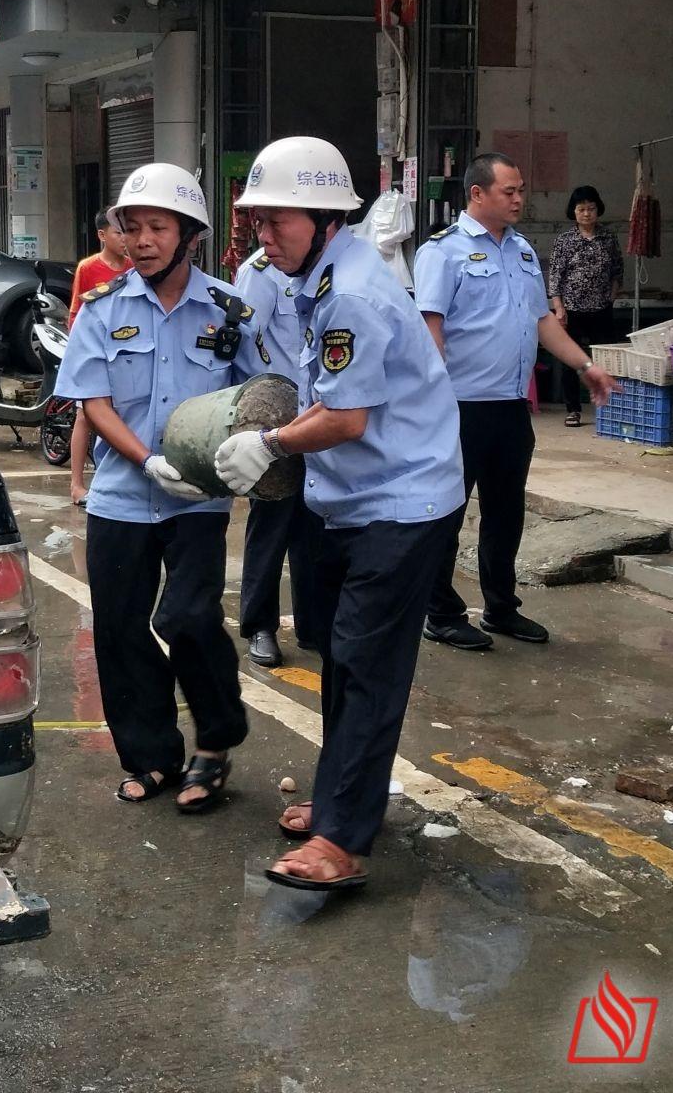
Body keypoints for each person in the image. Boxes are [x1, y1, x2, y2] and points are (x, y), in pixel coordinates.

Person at [213, 136, 464, 892]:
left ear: (325, 217)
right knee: (335, 652)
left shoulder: (351, 290)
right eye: (258, 223)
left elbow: (345, 418)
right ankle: (342, 800)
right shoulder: (314, 276)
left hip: (402, 500)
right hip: (347, 498)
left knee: (363, 663)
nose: (264, 236)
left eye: (277, 221)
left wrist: (267, 444)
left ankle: (342, 839)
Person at [57, 162, 265, 813]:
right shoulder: (102, 308)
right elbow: (92, 399)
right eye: (132, 227)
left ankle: (216, 740)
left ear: (189, 234)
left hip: (199, 497)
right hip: (124, 494)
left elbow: (258, 396)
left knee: (188, 616)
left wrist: (253, 452)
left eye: (157, 227)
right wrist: (146, 460)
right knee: (120, 628)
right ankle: (151, 756)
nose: (142, 240)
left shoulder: (228, 310)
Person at [411, 152, 619, 652]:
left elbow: (543, 322)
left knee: (506, 514)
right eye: (509, 191)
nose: (520, 199)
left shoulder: (524, 251)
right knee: (445, 514)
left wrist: (584, 365)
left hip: (508, 407)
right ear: (477, 194)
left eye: (521, 189)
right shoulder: (443, 252)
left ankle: (500, 608)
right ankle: (440, 612)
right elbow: (429, 331)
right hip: (458, 407)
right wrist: (427, 407)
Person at [233, 243, 325, 669]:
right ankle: (260, 625)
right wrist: (258, 413)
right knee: (271, 523)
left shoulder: (325, 266)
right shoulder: (262, 271)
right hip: (275, 416)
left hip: (320, 415)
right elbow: (244, 343)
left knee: (316, 525)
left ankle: (314, 624)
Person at [67, 211, 132, 506]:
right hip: (96, 352)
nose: (124, 239)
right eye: (118, 233)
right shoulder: (88, 268)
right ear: (102, 236)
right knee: (86, 415)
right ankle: (76, 484)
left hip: (127, 354)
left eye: (125, 232)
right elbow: (76, 314)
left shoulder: (134, 268)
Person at [546, 185, 623, 427]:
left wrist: (611, 297)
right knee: (571, 362)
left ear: (598, 210)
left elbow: (618, 270)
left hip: (601, 309)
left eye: (591, 209)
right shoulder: (565, 241)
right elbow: (555, 277)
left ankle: (610, 408)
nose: (587, 214)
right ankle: (573, 410)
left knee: (607, 358)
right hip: (572, 311)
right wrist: (558, 308)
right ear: (574, 212)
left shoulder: (608, 238)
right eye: (581, 209)